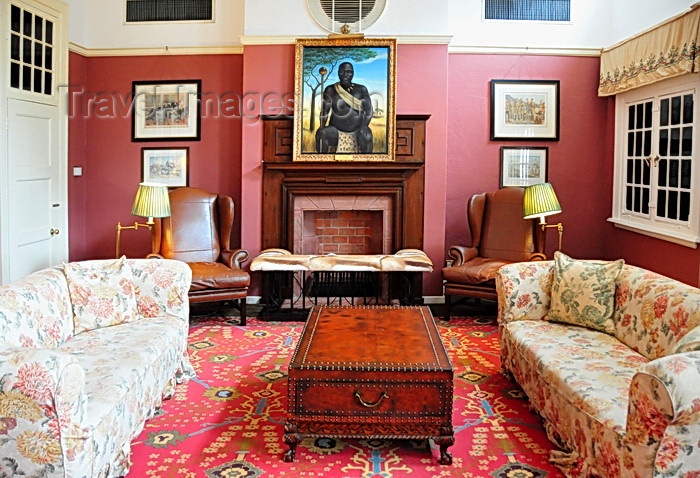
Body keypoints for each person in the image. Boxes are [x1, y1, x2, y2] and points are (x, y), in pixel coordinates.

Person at [315, 62, 373, 153]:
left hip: (358, 130)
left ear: (353, 73)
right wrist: (321, 126)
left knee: (367, 136)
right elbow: (325, 112)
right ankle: (323, 164)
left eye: (349, 72)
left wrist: (365, 126)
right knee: (321, 134)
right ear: (338, 73)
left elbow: (369, 111)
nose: (346, 75)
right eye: (343, 71)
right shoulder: (330, 89)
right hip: (335, 130)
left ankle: (367, 165)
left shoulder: (361, 89)